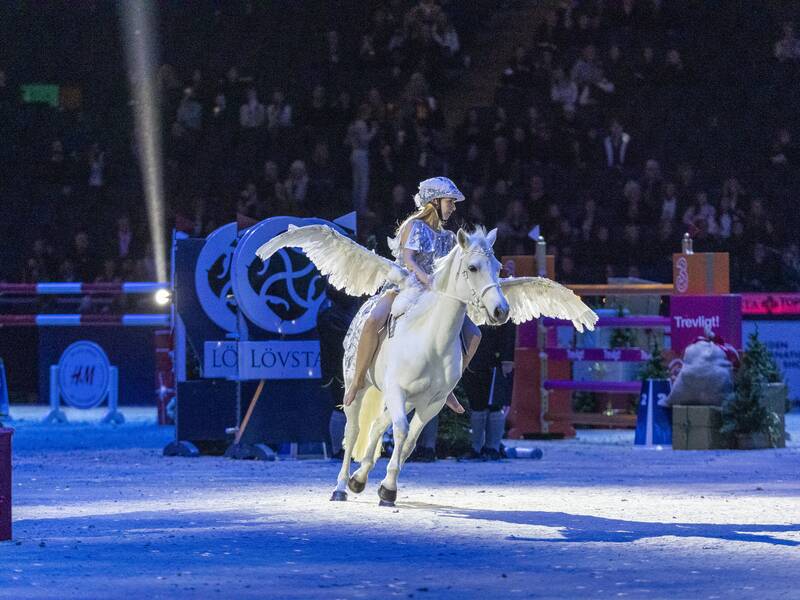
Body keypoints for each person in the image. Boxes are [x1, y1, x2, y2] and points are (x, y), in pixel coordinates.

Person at [342, 176, 482, 414]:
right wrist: (427, 280)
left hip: (436, 296)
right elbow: (408, 260)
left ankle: (446, 387)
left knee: (474, 334)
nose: (454, 206)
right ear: (435, 202)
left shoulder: (448, 237)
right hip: (405, 286)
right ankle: (357, 379)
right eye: (450, 201)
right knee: (373, 320)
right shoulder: (415, 227)